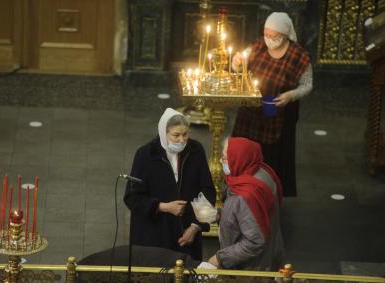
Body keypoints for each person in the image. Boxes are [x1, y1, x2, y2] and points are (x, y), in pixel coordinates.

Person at [231, 12, 313, 197]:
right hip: (250, 112)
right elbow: (240, 69)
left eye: (273, 36)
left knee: (269, 157)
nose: (268, 39)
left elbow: (307, 85)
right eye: (266, 34)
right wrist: (237, 64)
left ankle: (265, 192)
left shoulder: (298, 56)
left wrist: (290, 95)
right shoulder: (259, 45)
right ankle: (240, 187)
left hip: (277, 113)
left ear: (284, 35)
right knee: (244, 151)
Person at [124, 108, 216, 261]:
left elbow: (207, 190)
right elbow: (132, 197)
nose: (182, 140)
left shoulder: (195, 150)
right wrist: (164, 207)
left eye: (185, 134)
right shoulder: (145, 155)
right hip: (154, 236)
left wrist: (195, 227)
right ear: (163, 134)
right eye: (176, 135)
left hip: (187, 234)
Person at [208, 137, 284, 270]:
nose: (221, 160)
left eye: (225, 157)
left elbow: (254, 241)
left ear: (239, 159)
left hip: (250, 269)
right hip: (270, 255)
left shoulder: (245, 195)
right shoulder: (261, 171)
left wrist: (220, 258)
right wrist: (221, 215)